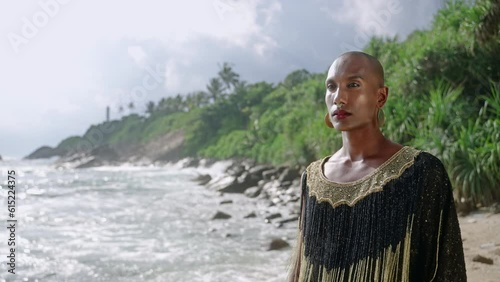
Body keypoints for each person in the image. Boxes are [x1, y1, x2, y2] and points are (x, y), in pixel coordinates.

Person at [288, 51, 466, 281]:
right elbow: (300, 269)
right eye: (331, 87)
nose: (339, 98)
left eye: (353, 85)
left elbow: (446, 269)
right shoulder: (312, 179)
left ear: (381, 97)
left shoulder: (421, 171)